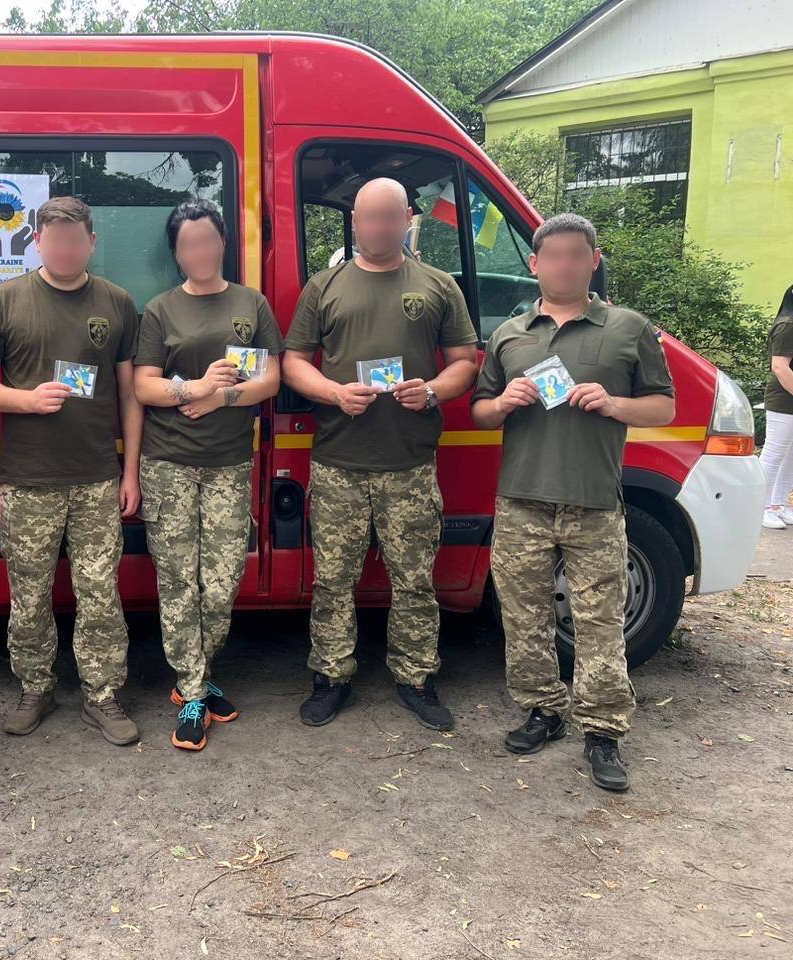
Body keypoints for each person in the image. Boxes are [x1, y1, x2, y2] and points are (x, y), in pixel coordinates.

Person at [470, 213, 676, 792]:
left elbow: (664, 406)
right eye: (553, 256)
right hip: (521, 501)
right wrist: (502, 402)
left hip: (594, 503)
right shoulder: (510, 334)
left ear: (594, 260)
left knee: (600, 622)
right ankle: (542, 710)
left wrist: (614, 404)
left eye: (575, 255)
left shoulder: (629, 328)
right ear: (535, 264)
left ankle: (603, 731)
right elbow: (480, 412)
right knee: (524, 617)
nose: (564, 265)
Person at [282, 178, 478, 730]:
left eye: (389, 217)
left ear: (408, 217)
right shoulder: (324, 286)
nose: (379, 227)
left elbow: (466, 361)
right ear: (355, 221)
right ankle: (331, 677)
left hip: (409, 463)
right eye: (369, 218)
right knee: (332, 580)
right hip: (338, 462)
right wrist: (333, 393)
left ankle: (416, 678)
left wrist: (433, 390)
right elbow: (293, 361)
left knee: (414, 579)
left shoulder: (438, 285)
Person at [0, 196, 143, 746]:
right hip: (27, 479)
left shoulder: (116, 302)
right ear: (36, 241)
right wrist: (24, 400)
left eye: (75, 239)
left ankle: (102, 694)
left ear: (91, 242)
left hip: (96, 477)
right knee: (29, 595)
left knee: (100, 593)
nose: (65, 249)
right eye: (55, 239)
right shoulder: (4, 300)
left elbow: (130, 394)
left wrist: (129, 472)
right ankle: (35, 688)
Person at [133, 199, 283, 751]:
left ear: (222, 243)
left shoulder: (251, 303)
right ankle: (193, 690)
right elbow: (143, 386)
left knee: (221, 583)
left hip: (229, 462)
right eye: (187, 244)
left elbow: (270, 379)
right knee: (178, 581)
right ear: (177, 253)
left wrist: (223, 398)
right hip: (169, 462)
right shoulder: (161, 310)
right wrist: (192, 388)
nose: (199, 251)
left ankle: (196, 670)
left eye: (207, 240)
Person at [759, 286, 793, 529]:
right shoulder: (787, 326)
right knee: (774, 453)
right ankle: (759, 506)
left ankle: (778, 504)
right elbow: (779, 367)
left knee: (790, 456)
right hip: (783, 401)